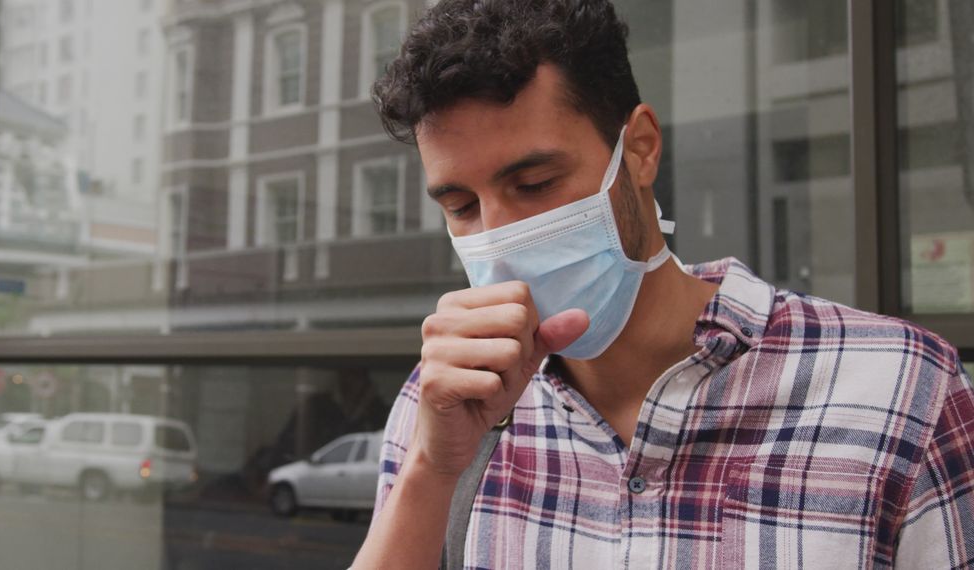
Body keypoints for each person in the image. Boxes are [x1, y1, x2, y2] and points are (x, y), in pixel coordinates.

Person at [352, 1, 974, 568]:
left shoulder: (902, 393)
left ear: (641, 150)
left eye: (536, 183)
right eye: (461, 205)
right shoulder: (444, 405)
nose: (500, 236)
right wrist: (432, 469)